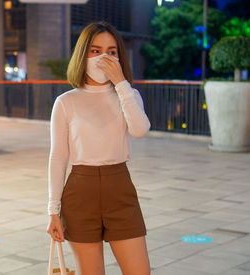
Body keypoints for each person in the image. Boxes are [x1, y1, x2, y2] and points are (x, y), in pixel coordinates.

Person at [47, 21, 151, 275]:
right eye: (95, 50)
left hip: (120, 187)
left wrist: (121, 83)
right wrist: (53, 210)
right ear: (83, 54)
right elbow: (58, 158)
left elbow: (140, 130)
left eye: (111, 51)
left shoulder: (129, 96)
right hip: (80, 192)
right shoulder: (66, 102)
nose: (104, 57)